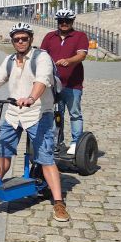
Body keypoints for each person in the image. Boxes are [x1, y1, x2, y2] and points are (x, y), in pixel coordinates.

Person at [0, 22, 70, 223]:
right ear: (12, 41)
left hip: (39, 114)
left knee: (45, 158)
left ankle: (58, 202)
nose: (20, 42)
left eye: (24, 38)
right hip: (14, 114)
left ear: (30, 39)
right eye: (17, 39)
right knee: (3, 151)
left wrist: (31, 98)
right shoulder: (10, 60)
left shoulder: (42, 57)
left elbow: (42, 80)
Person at [40, 9, 89, 154]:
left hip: (73, 84)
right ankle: (56, 141)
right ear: (57, 22)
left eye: (67, 21)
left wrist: (69, 61)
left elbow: (81, 55)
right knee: (54, 113)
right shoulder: (50, 36)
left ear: (72, 22)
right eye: (61, 21)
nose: (64, 23)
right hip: (53, 84)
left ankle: (76, 143)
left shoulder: (80, 36)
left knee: (75, 113)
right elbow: (42, 55)